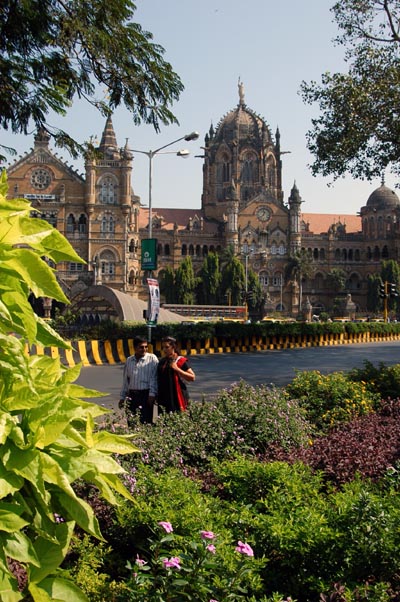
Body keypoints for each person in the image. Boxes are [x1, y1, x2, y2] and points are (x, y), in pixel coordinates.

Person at [119, 336, 158, 425]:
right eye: (141, 347)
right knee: (131, 422)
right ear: (135, 348)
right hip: (132, 395)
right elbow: (126, 380)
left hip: (146, 395)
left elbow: (154, 378)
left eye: (146, 347)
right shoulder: (129, 360)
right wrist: (122, 397)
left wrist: (152, 395)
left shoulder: (152, 359)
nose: (144, 349)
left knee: (146, 422)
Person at [157, 336, 195, 413]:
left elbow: (192, 377)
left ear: (173, 347)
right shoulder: (162, 362)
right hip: (163, 396)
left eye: (167, 347)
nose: (164, 350)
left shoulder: (180, 360)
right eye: (163, 347)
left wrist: (177, 369)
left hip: (177, 396)